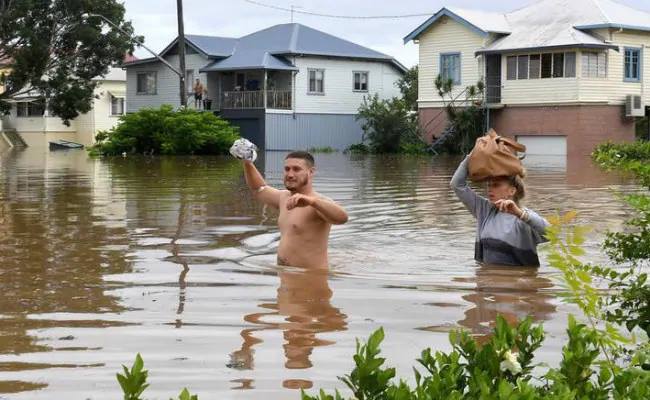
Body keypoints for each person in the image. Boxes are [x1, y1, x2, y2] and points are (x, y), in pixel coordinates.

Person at [240, 150, 348, 269]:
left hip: (310, 279)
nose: (290, 174)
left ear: (311, 172)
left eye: (296, 169)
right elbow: (258, 189)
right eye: (287, 169)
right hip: (285, 276)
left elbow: (342, 218)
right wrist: (247, 162)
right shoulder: (283, 197)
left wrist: (311, 201)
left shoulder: (318, 202)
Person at [450, 156, 549, 266]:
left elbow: (552, 232)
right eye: (489, 185)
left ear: (512, 191)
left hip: (518, 280)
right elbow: (457, 185)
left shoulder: (524, 217)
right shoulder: (484, 210)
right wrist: (473, 155)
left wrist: (519, 213)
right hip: (486, 279)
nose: (490, 189)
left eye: (496, 185)